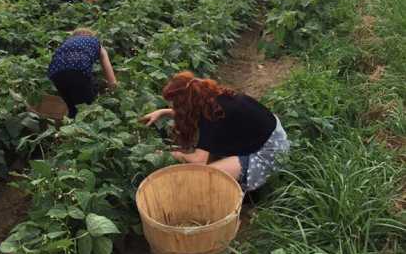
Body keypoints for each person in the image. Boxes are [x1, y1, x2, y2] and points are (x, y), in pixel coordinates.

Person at [141, 71, 290, 192]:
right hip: (271, 135)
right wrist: (162, 112)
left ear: (187, 103)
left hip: (270, 153)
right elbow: (189, 112)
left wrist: (171, 154)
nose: (175, 109)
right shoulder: (212, 98)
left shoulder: (211, 117)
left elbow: (198, 161)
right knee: (211, 158)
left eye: (176, 105)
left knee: (203, 177)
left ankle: (249, 189)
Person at [48, 27, 117, 118]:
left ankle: (69, 126)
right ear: (91, 35)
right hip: (79, 69)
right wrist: (114, 91)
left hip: (55, 72)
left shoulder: (67, 42)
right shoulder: (96, 42)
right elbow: (109, 72)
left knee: (71, 107)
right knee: (87, 108)